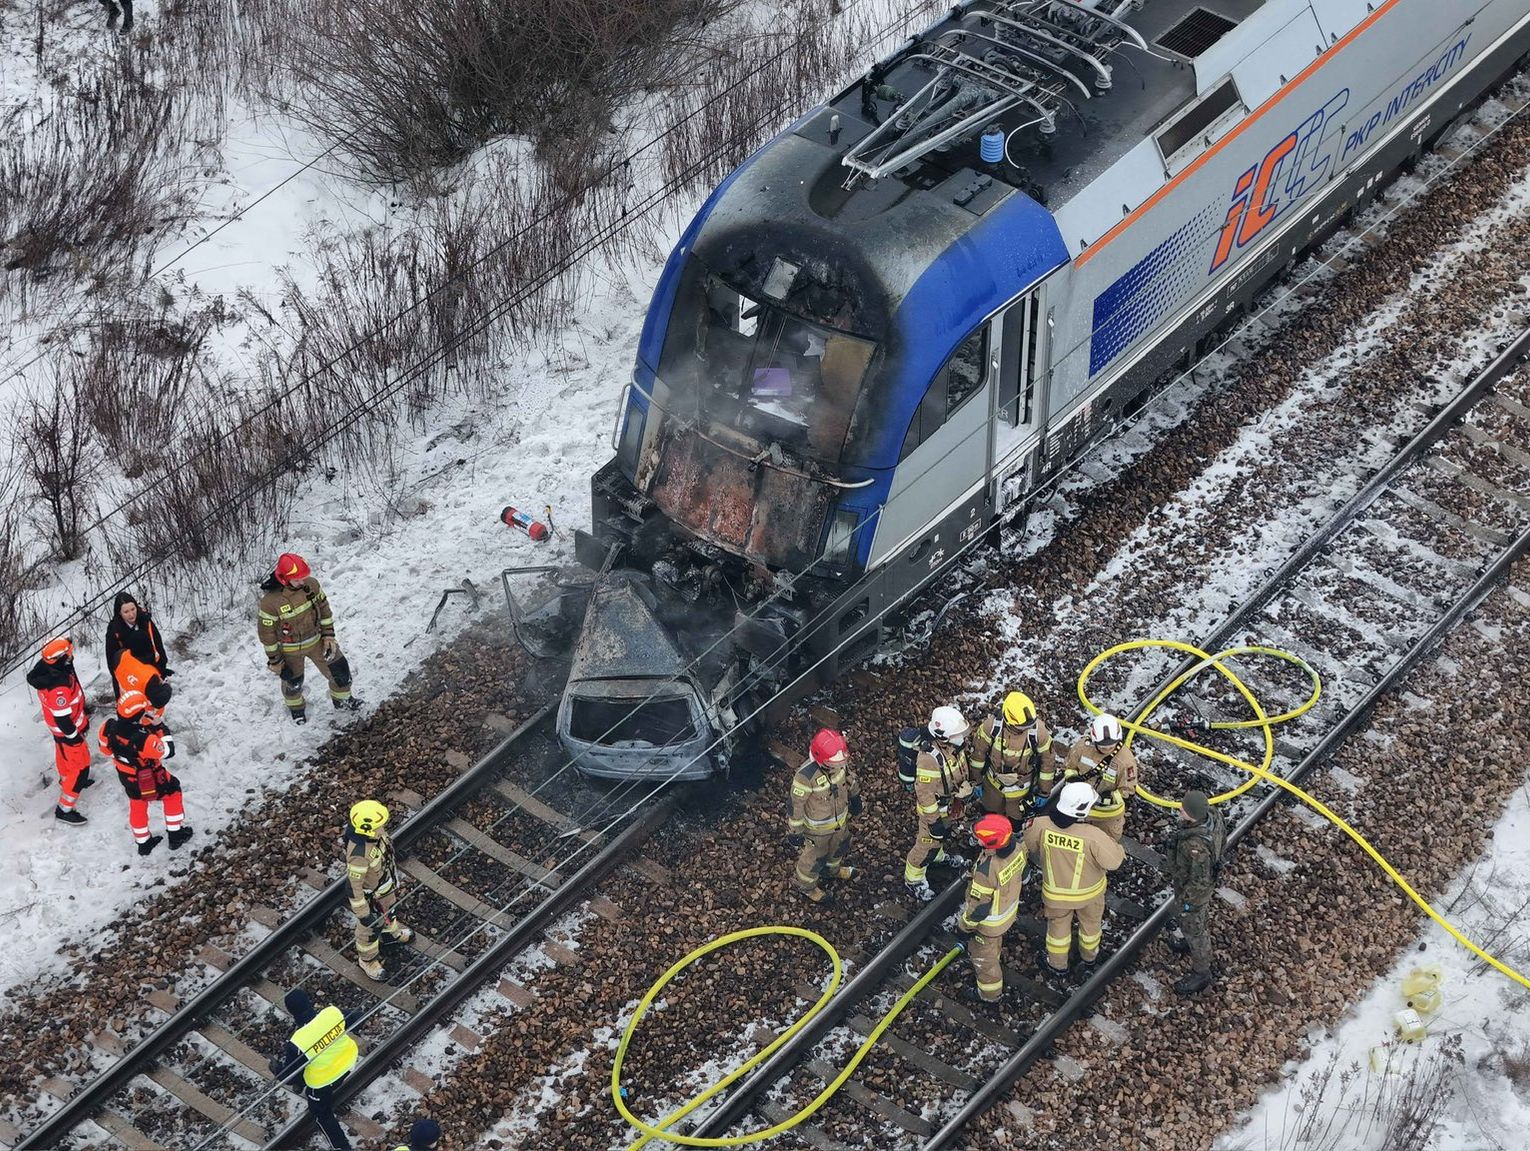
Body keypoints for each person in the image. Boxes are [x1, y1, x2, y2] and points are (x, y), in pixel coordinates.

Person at [1023, 781, 1124, 975]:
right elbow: (1114, 862)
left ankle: (1057, 964)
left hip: (1056, 895)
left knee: (1057, 931)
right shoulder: (1093, 836)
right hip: (1090, 894)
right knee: (1091, 926)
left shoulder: (1041, 825)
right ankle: (1089, 957)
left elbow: (1028, 845)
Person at [258, 552, 361, 724]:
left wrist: (328, 635)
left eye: (304, 577)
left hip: (317, 641)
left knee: (340, 671)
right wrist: (275, 661)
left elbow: (324, 608)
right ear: (284, 579)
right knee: (293, 683)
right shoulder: (271, 602)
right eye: (297, 579)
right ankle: (297, 709)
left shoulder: (311, 585)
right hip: (290, 651)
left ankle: (342, 701)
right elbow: (266, 635)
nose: (302, 582)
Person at [99, 690, 193, 856]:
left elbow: (105, 750)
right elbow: (168, 751)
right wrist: (160, 728)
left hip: (127, 777)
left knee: (137, 804)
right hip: (150, 778)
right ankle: (175, 834)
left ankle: (143, 843)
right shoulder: (143, 739)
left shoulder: (107, 728)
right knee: (172, 792)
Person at [269, 988, 357, 1151]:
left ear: (291, 1012)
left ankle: (342, 1147)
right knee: (306, 1063)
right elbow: (358, 1019)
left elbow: (290, 1076)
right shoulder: (332, 1013)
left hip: (325, 1080)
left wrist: (277, 1070)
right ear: (309, 1001)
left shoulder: (298, 1042)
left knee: (320, 1112)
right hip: (350, 1060)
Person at [903, 706, 973, 902]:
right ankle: (913, 879)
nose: (962, 737)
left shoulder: (953, 748)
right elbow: (924, 795)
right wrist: (934, 822)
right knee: (925, 845)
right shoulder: (928, 760)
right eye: (957, 734)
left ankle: (938, 856)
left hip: (949, 806)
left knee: (940, 839)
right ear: (943, 736)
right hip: (935, 811)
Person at [956, 813, 1026, 1006]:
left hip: (987, 926)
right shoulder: (1018, 848)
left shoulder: (986, 871)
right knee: (993, 944)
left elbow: (979, 908)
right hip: (1007, 912)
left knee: (984, 960)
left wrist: (964, 927)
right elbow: (1024, 874)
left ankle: (989, 994)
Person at [787, 728, 861, 904]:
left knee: (839, 848)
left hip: (840, 823)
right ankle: (807, 887)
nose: (839, 765)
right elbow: (795, 806)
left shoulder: (838, 764)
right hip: (817, 831)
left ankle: (832, 872)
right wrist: (795, 831)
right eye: (834, 763)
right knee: (813, 859)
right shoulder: (805, 777)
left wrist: (855, 796)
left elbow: (848, 779)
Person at [25, 637, 93, 825]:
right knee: (81, 767)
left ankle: (66, 781)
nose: (71, 656)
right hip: (68, 732)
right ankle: (65, 808)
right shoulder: (58, 687)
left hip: (61, 734)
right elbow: (63, 719)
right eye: (68, 654)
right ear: (60, 658)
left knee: (64, 757)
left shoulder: (47, 668)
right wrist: (74, 737)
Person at [1165, 789, 1226, 996]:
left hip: (1193, 893)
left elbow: (1199, 881)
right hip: (1193, 884)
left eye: (1184, 809)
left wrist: (1186, 901)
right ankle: (1188, 943)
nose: (1180, 809)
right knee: (1193, 924)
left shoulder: (1196, 847)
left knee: (1195, 930)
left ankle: (1202, 972)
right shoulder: (1214, 816)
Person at [345, 800, 413, 980]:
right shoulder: (358, 855)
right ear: (368, 829)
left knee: (389, 913)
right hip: (372, 898)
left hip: (385, 888)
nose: (382, 827)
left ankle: (391, 935)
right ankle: (367, 960)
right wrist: (362, 912)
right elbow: (353, 887)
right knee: (369, 929)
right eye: (378, 825)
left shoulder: (377, 835)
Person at [970, 690, 1055, 820]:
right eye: (1021, 727)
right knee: (990, 817)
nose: (1026, 729)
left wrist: (1044, 792)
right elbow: (978, 756)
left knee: (1016, 822)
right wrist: (977, 780)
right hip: (993, 786)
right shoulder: (991, 727)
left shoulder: (1039, 733)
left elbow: (1047, 764)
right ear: (1009, 721)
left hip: (1022, 792)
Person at [1061, 713, 1139, 842]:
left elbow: (1128, 791)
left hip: (1106, 812)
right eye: (1103, 747)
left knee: (1107, 841)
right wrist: (1072, 779)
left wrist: (1109, 798)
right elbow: (1069, 766)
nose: (1107, 749)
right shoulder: (1082, 747)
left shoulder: (1125, 760)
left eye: (1111, 746)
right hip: (1079, 803)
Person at [105, 591, 172, 702]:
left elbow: (157, 643)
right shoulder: (114, 630)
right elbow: (111, 660)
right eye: (126, 612)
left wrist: (162, 666)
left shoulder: (145, 620)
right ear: (119, 613)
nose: (131, 615)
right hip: (130, 677)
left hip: (150, 671)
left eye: (133, 609)